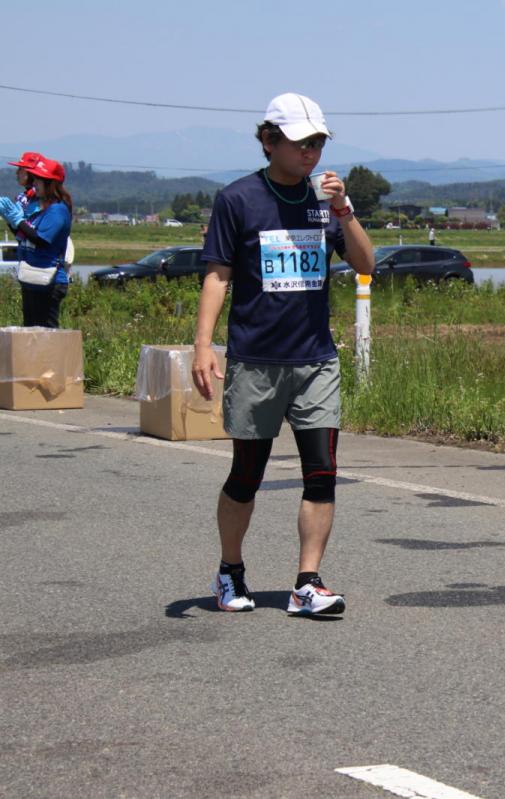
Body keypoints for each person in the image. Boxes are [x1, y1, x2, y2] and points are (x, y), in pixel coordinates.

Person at [191, 92, 374, 616]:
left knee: (322, 471)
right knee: (247, 474)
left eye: (317, 142)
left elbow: (366, 264)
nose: (310, 153)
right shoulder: (238, 199)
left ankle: (307, 583)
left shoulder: (325, 200)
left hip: (316, 360)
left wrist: (344, 209)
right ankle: (230, 571)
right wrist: (204, 346)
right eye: (300, 143)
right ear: (269, 140)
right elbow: (218, 275)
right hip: (255, 360)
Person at [1, 157, 72, 327]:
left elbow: (41, 239)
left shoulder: (57, 210)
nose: (35, 184)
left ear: (51, 184)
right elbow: (24, 236)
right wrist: (13, 221)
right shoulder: (42, 209)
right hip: (33, 276)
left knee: (46, 333)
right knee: (30, 330)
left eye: (39, 180)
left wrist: (18, 220)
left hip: (49, 280)